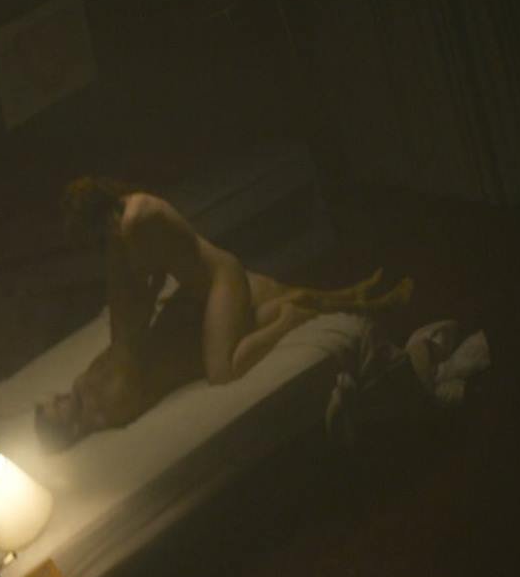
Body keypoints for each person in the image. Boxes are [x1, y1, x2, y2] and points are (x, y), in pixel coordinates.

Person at [34, 176, 410, 451]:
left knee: (223, 370)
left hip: (217, 279)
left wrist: (144, 306)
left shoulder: (132, 223)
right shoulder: (127, 220)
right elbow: (145, 292)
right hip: (202, 285)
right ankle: (358, 297)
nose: (55, 401)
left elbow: (142, 300)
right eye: (53, 408)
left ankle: (292, 318)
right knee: (270, 301)